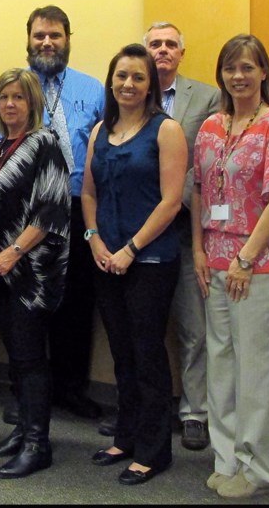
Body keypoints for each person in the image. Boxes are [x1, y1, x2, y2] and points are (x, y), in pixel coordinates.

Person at [191, 35, 269, 499]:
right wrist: (199, 251)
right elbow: (200, 190)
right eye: (229, 68)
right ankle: (227, 458)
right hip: (214, 261)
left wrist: (244, 258)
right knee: (220, 364)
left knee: (256, 369)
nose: (238, 76)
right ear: (220, 74)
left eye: (247, 67)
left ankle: (258, 468)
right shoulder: (209, 127)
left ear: (263, 73)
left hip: (257, 264)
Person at [0, 4, 105, 424]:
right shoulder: (9, 92)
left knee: (74, 304)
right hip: (20, 217)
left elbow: (104, 151)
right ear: (28, 40)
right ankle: (25, 391)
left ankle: (70, 388)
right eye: (39, 36)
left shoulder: (94, 90)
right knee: (23, 305)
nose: (47, 42)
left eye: (55, 35)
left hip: (76, 209)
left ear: (69, 39)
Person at [102, 21, 220, 451]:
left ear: (180, 53)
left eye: (171, 44)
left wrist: (166, 210)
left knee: (190, 330)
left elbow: (202, 166)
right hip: (119, 245)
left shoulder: (203, 99)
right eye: (156, 44)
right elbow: (100, 179)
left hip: (176, 232)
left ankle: (191, 413)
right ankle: (131, 423)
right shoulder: (111, 118)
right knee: (131, 342)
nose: (163, 50)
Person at [81, 44, 187, 485]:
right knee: (120, 352)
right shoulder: (99, 130)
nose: (128, 84)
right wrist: (95, 240)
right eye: (121, 76)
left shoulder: (166, 131)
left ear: (151, 85)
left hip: (151, 259)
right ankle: (124, 436)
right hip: (105, 257)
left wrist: (131, 248)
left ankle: (154, 449)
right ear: (111, 81)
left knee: (147, 354)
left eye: (138, 77)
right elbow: (88, 192)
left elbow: (172, 200)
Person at [0, 68, 70, 479]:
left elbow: (51, 210)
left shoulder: (45, 144)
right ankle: (22, 430)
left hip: (30, 274)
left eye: (18, 97)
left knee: (30, 359)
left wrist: (13, 252)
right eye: (3, 97)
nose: (10, 104)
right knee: (16, 356)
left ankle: (38, 443)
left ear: (32, 103)